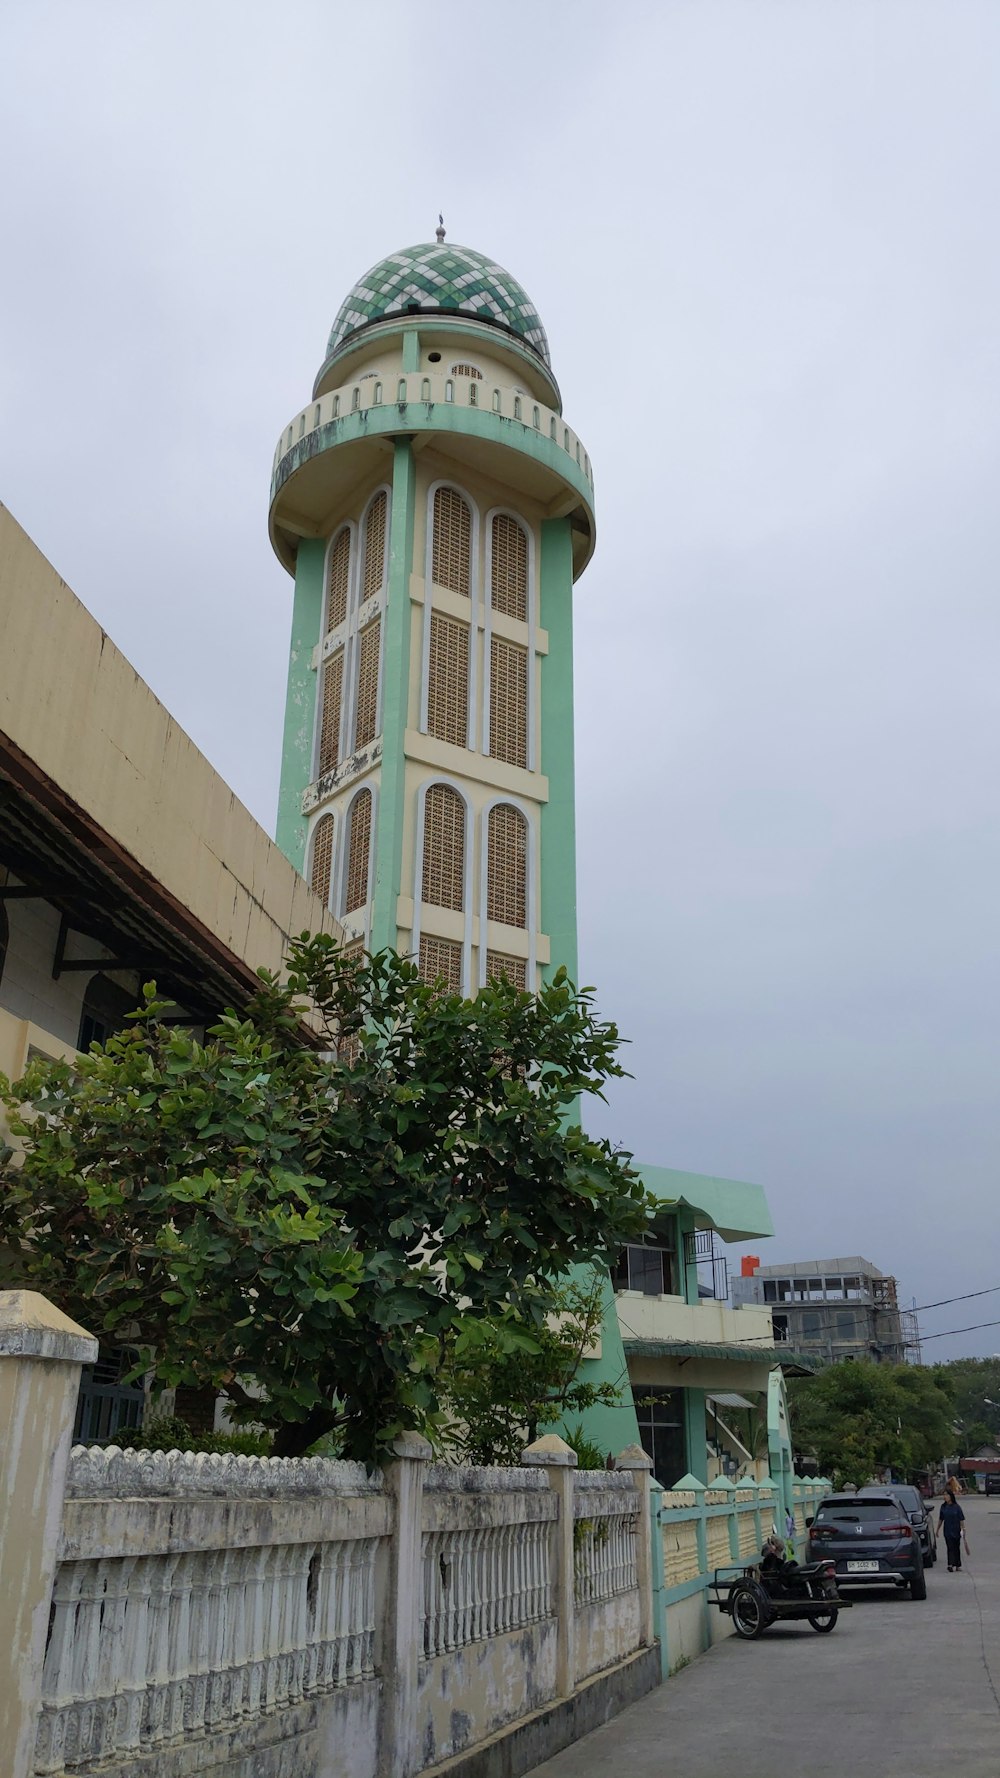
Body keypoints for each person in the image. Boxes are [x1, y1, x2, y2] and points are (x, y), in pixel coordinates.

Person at [937, 1490, 969, 1571]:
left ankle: (957, 1565)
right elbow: (941, 1519)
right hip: (947, 1530)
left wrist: (963, 1529)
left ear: (951, 1496)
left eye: (946, 1495)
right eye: (944, 1495)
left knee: (956, 1547)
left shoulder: (956, 1507)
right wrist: (937, 1530)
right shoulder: (943, 1507)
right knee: (950, 1547)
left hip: (956, 1530)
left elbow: (961, 1519)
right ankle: (950, 1564)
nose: (945, 1497)